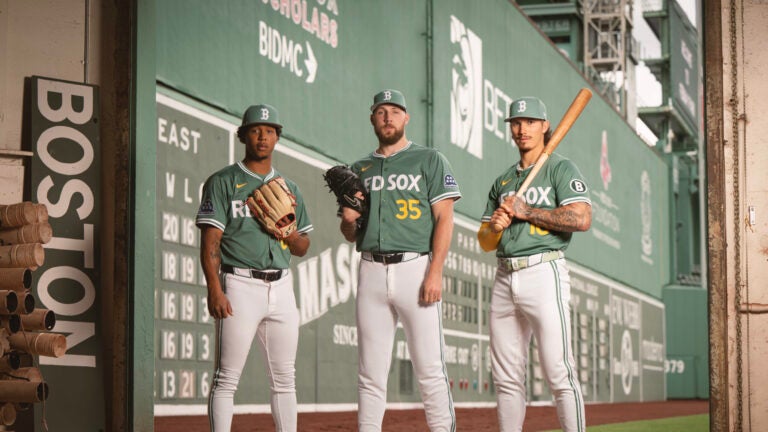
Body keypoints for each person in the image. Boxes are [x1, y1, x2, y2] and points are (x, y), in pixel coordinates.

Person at [338, 89, 460, 432]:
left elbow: (445, 219)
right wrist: (348, 220)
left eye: (395, 111)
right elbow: (350, 233)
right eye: (381, 111)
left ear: (407, 118)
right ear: (372, 118)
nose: (388, 116)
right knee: (370, 374)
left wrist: (434, 272)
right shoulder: (358, 169)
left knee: (430, 369)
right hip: (371, 269)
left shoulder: (429, 159)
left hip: (415, 268)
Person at [477, 96, 591, 432]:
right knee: (507, 379)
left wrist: (528, 212)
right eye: (515, 122)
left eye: (529, 121)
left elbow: (582, 219)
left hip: (544, 272)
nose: (521, 128)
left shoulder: (560, 168)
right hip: (503, 275)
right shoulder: (502, 182)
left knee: (558, 371)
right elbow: (485, 242)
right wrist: (494, 228)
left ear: (544, 126)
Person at [196, 104, 312, 432]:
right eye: (256, 130)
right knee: (227, 378)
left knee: (285, 379)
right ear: (244, 135)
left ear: (277, 138)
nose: (263, 137)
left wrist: (287, 230)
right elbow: (210, 244)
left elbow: (303, 247)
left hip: (282, 287)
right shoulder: (222, 181)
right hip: (239, 285)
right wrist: (214, 289)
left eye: (270, 131)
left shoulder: (291, 189)